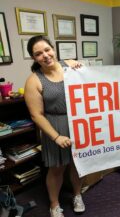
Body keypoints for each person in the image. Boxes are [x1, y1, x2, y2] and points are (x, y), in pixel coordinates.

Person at [24, 35, 85, 217]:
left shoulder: (71, 67)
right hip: (55, 127)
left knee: (77, 164)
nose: (45, 55)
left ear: (53, 48)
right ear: (34, 58)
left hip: (78, 122)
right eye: (38, 53)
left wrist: (81, 68)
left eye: (47, 50)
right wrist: (56, 137)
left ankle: (77, 195)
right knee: (57, 168)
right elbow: (37, 115)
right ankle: (54, 204)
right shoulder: (34, 80)